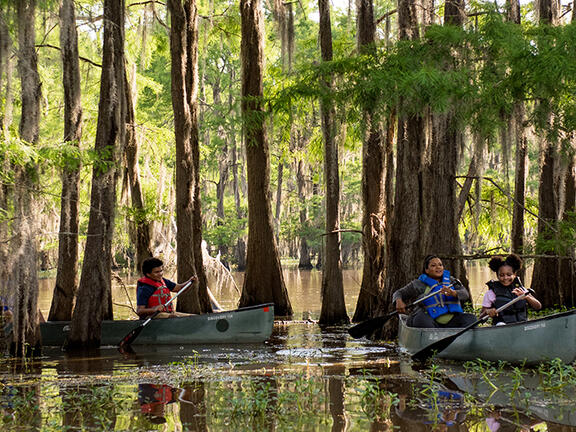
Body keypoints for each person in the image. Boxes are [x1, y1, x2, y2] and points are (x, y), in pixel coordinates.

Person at [393, 255, 477, 328]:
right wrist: (398, 301)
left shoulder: (452, 281)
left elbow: (465, 294)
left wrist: (454, 293)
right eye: (433, 265)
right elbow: (398, 293)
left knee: (471, 319)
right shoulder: (418, 284)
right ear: (426, 270)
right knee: (421, 320)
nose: (438, 267)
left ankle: (460, 340)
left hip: (452, 321)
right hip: (429, 320)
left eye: (440, 265)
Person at [481, 254, 541, 325]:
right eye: (502, 275)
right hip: (502, 328)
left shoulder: (521, 290)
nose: (505, 278)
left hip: (522, 326)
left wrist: (527, 297)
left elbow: (538, 306)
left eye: (509, 275)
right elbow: (481, 317)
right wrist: (487, 311)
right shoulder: (490, 293)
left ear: (514, 274)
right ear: (497, 275)